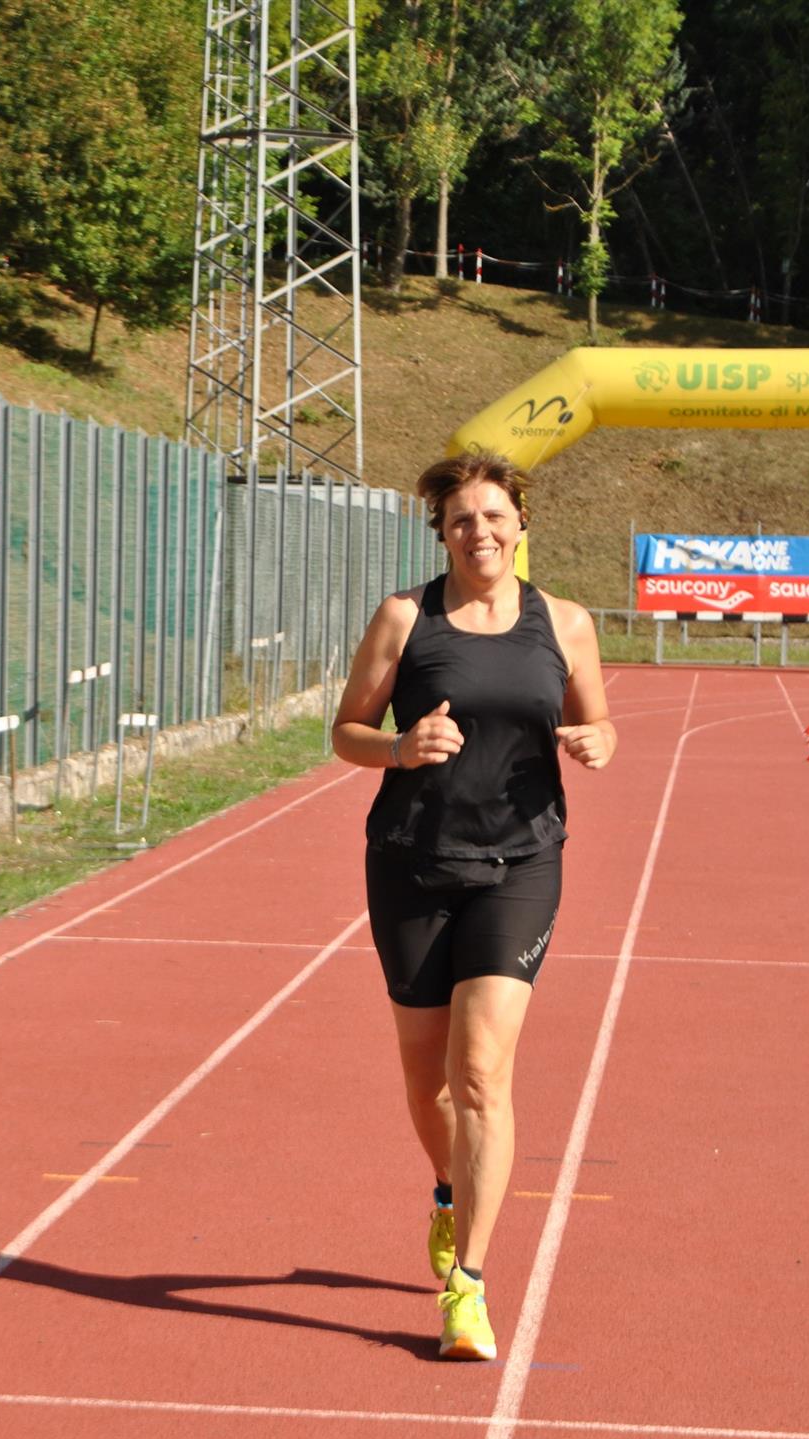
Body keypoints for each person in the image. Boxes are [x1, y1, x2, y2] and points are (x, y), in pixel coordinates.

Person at [332, 450, 615, 1360]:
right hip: (411, 864)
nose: (479, 532)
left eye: (494, 516)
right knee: (429, 1082)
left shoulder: (563, 623)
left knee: (483, 1073)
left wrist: (596, 741)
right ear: (442, 533)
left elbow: (598, 718)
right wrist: (398, 747)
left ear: (521, 524)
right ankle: (450, 1192)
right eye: (461, 519)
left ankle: (468, 1286)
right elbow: (345, 731)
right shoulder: (404, 618)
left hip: (520, 864)